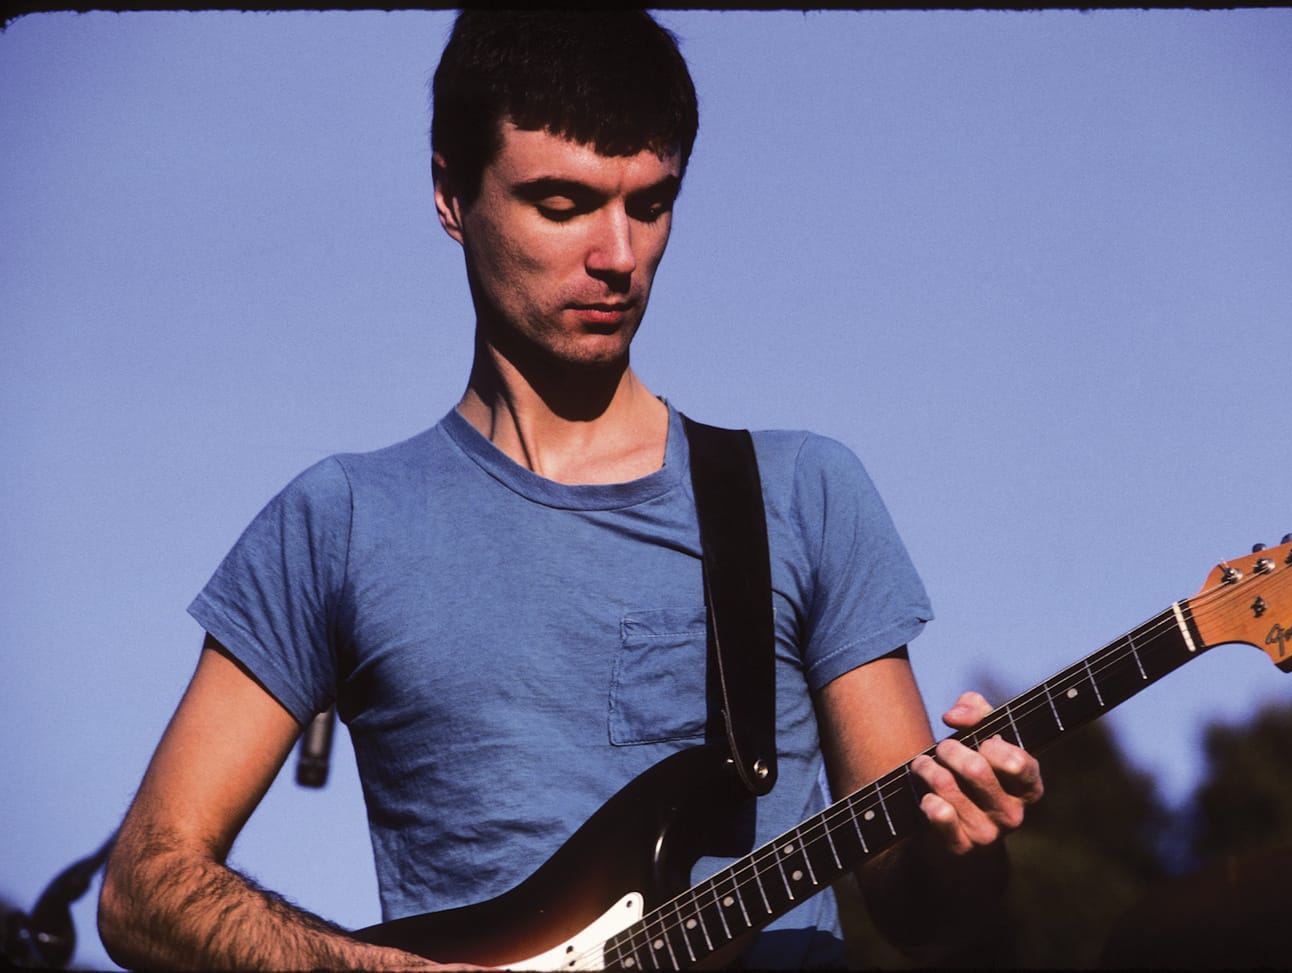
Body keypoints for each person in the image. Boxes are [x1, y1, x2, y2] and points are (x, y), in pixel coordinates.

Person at [97, 10, 1043, 970]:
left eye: (650, 203)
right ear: (450, 194)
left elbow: (919, 906)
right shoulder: (338, 522)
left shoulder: (804, 493)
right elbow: (144, 885)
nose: (619, 256)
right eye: (563, 205)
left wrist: (963, 837)